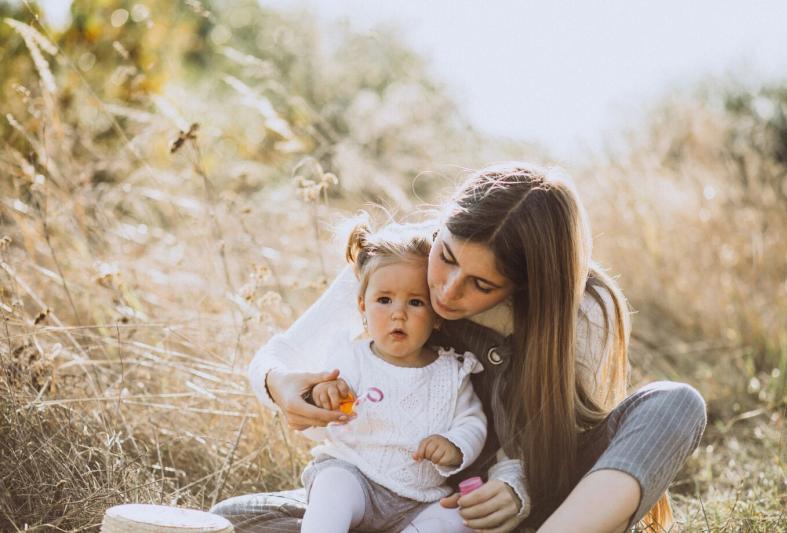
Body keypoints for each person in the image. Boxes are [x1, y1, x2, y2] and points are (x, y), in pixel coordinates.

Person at [212, 162, 707, 532]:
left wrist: (518, 488)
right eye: (446, 258)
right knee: (231, 520)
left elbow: (555, 441)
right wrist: (281, 386)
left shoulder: (582, 310)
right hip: (416, 503)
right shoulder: (398, 262)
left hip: (535, 509)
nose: (446, 292)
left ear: (525, 285)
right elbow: (278, 356)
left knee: (677, 402)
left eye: (481, 286)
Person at [297, 220, 488, 533]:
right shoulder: (349, 358)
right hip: (355, 475)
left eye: (415, 302)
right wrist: (323, 395)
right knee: (331, 486)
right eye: (384, 300)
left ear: (437, 316)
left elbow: (473, 422)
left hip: (419, 499)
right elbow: (316, 420)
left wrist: (454, 445)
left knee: (456, 519)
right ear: (363, 306)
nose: (398, 314)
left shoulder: (451, 372)